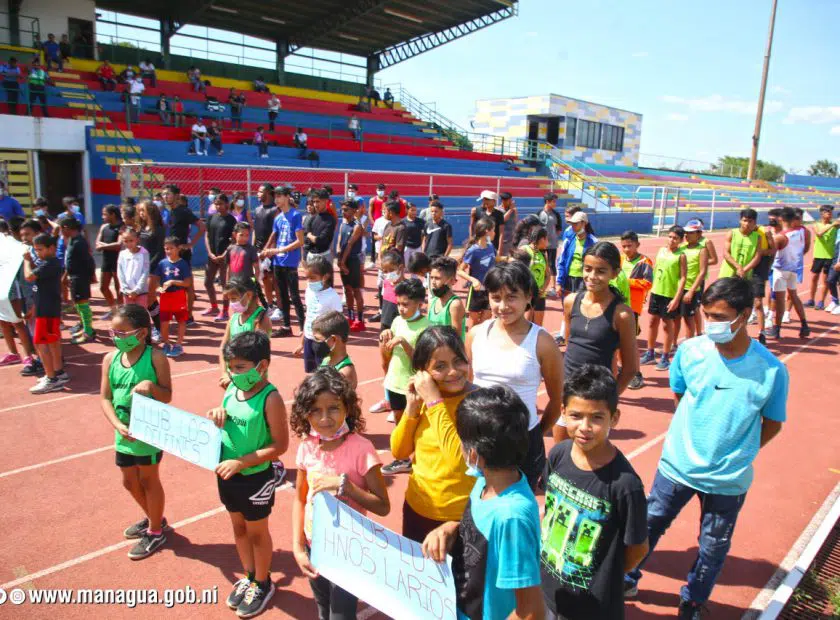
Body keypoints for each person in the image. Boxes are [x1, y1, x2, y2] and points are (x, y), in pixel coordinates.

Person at [625, 277, 788, 619]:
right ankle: (627, 578)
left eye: (720, 317)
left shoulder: (772, 371)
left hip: (728, 480)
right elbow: (680, 394)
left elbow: (772, 423)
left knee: (713, 546)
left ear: (745, 314)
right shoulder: (689, 351)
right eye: (708, 315)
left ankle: (693, 600)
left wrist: (741, 452)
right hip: (677, 466)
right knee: (649, 524)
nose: (712, 324)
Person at [422, 385, 544, 620]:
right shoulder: (483, 481)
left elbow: (531, 611)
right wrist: (451, 528)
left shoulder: (511, 518)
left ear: (473, 454)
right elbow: (482, 533)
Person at [541, 365, 649, 619]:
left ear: (614, 418)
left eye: (597, 418)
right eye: (576, 416)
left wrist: (604, 578)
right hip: (548, 591)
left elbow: (637, 548)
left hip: (593, 609)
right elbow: (550, 509)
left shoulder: (625, 485)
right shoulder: (558, 455)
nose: (585, 427)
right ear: (563, 412)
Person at [291, 367, 389, 620]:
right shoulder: (307, 447)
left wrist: (347, 487)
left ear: (347, 408)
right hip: (315, 546)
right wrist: (298, 547)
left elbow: (382, 506)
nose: (325, 418)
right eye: (315, 410)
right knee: (323, 609)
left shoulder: (362, 449)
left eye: (333, 408)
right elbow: (300, 499)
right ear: (305, 413)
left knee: (341, 616)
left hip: (348, 551)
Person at [207, 331, 289, 618]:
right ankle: (250, 576)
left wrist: (241, 463)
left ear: (262, 366)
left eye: (240, 367)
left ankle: (263, 583)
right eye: (231, 367)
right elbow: (228, 416)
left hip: (254, 477)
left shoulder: (270, 398)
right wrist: (217, 413)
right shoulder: (231, 389)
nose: (233, 373)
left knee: (256, 532)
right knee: (238, 528)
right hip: (227, 474)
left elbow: (280, 446)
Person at [468, 261, 564, 490]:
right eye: (496, 298)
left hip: (523, 445)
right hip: (480, 441)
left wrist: (534, 434)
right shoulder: (475, 335)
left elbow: (557, 400)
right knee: (478, 501)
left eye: (512, 297)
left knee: (516, 506)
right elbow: (468, 387)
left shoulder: (542, 342)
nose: (503, 306)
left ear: (528, 296)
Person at [99, 304, 172, 560]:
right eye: (113, 333)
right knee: (129, 481)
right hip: (123, 433)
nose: (116, 338)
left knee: (149, 480)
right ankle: (155, 518)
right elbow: (105, 398)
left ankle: (155, 531)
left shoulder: (156, 358)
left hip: (148, 434)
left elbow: (167, 396)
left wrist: (151, 385)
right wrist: (117, 425)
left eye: (122, 333)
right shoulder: (110, 360)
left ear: (141, 333)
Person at [390, 325, 475, 536]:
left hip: (460, 518)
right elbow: (399, 452)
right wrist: (411, 409)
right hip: (418, 509)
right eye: (440, 366)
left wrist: (434, 402)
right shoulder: (423, 400)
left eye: (458, 361)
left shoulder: (479, 403)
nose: (453, 371)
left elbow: (461, 462)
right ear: (422, 373)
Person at [559, 241, 638, 440]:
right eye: (587, 269)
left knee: (589, 454)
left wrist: (608, 399)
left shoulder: (622, 315)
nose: (592, 276)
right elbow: (569, 345)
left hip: (597, 398)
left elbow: (630, 368)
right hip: (568, 393)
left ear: (615, 273)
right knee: (560, 452)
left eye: (601, 271)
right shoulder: (571, 302)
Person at [379, 277, 430, 473]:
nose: (400, 308)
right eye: (398, 304)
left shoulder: (426, 326)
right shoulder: (396, 321)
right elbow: (388, 354)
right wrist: (385, 340)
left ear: (419, 303)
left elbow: (421, 361)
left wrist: (403, 342)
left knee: (416, 424)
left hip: (412, 385)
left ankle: (421, 459)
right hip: (394, 382)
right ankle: (402, 459)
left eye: (405, 304)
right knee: (399, 423)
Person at [23, 233, 68, 393]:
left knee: (41, 344)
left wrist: (26, 260)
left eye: (40, 249)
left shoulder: (49, 264)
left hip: (47, 311)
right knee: (52, 342)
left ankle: (51, 379)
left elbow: (29, 276)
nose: (38, 253)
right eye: (36, 250)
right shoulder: (47, 263)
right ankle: (58, 372)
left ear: (51, 248)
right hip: (47, 309)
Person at [640, 225, 687, 371]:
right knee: (652, 322)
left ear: (681, 240)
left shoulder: (681, 255)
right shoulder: (661, 251)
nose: (672, 240)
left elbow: (683, 278)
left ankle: (665, 357)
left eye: (675, 238)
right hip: (656, 292)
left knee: (667, 325)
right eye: (670, 237)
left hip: (669, 295)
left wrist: (676, 298)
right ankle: (650, 353)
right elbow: (656, 270)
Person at [260, 187, 302, 337]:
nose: (276, 199)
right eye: (275, 196)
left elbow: (300, 241)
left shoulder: (296, 215)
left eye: (279, 196)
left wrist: (278, 250)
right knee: (282, 296)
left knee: (294, 296)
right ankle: (286, 326)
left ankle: (303, 327)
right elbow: (274, 236)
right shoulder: (278, 218)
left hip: (290, 262)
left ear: (287, 197)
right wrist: (265, 251)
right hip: (278, 262)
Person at [217, 277, 271, 389]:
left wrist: (245, 380)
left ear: (249, 295)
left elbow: (259, 353)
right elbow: (223, 347)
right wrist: (225, 373)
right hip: (234, 378)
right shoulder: (234, 318)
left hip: (252, 381)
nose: (232, 303)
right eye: (229, 299)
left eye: (234, 299)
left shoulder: (260, 319)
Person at [765, 207, 810, 339]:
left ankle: (777, 329)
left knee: (779, 300)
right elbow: (805, 248)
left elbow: (771, 253)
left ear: (781, 219)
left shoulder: (780, 237)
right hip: (794, 268)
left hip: (780, 270)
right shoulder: (801, 232)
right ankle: (804, 324)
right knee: (794, 296)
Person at [618, 231, 653, 390]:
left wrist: (627, 282)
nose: (626, 249)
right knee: (617, 341)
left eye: (629, 246)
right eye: (623, 246)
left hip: (633, 307)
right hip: (618, 304)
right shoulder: (620, 259)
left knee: (631, 343)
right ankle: (622, 368)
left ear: (637, 245)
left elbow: (648, 283)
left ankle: (636, 373)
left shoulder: (645, 262)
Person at [297, 255, 343, 373]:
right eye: (307, 278)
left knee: (324, 375)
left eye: (313, 278)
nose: (309, 281)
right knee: (311, 373)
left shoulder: (332, 297)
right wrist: (302, 342)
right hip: (309, 339)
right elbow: (309, 315)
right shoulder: (309, 291)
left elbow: (339, 324)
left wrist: (335, 347)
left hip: (323, 343)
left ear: (325, 277)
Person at [153, 236, 193, 357]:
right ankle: (166, 343)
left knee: (181, 321)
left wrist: (173, 282)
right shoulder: (162, 263)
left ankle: (178, 345)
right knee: (164, 322)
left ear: (178, 248)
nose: (168, 251)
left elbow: (187, 283)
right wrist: (158, 288)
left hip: (178, 296)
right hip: (165, 297)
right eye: (166, 248)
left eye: (171, 248)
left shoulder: (183, 264)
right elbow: (156, 279)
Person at [62, 217, 97, 344]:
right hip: (74, 277)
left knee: (83, 304)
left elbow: (88, 260)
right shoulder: (72, 240)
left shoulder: (79, 242)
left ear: (66, 228)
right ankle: (85, 328)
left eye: (61, 229)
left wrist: (91, 275)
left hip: (80, 278)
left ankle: (88, 332)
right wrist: (66, 275)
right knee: (78, 304)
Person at [458, 217, 496, 327]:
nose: (495, 233)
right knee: (473, 322)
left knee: (486, 320)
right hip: (476, 291)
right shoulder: (473, 250)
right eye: (493, 230)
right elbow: (460, 270)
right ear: (487, 231)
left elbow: (495, 258)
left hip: (489, 288)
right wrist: (473, 280)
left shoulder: (490, 246)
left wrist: (508, 259)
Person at [204, 194, 237, 321]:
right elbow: (207, 236)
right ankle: (214, 307)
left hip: (225, 257)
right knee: (208, 282)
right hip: (212, 256)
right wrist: (210, 253)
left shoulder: (231, 220)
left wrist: (224, 254)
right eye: (216, 204)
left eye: (221, 204)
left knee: (224, 284)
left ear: (227, 204)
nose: (218, 206)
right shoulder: (211, 218)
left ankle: (225, 311)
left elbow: (234, 240)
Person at [677, 219, 710, 340]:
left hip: (690, 288)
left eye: (691, 233)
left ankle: (689, 342)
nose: (687, 235)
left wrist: (691, 291)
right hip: (678, 287)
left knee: (688, 318)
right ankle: (674, 343)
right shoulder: (681, 247)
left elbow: (702, 272)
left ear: (699, 234)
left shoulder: (702, 250)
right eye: (686, 232)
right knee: (676, 317)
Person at [336, 200, 366, 332]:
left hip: (353, 261)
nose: (343, 212)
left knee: (356, 290)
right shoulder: (343, 225)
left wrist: (342, 262)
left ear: (354, 211)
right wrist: (339, 258)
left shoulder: (357, 226)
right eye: (342, 209)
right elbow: (339, 242)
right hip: (343, 260)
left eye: (346, 210)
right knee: (347, 289)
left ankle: (360, 320)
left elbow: (349, 244)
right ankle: (350, 317)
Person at [312, 311, 357, 388]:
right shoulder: (327, 358)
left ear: (333, 339)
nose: (315, 342)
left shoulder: (344, 374)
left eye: (318, 339)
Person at [807, 205, 839, 309]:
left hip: (829, 256)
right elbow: (819, 233)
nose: (830, 214)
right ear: (822, 214)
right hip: (818, 256)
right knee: (814, 278)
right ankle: (811, 300)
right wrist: (832, 225)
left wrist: (834, 224)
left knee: (825, 280)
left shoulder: (836, 226)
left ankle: (821, 301)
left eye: (831, 213)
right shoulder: (816, 225)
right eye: (828, 212)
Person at [428, 256, 466, 339]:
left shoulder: (454, 305)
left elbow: (456, 338)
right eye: (431, 277)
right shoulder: (432, 302)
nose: (433, 282)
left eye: (437, 278)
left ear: (451, 280)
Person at [97, 204, 123, 317]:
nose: (103, 217)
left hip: (118, 261)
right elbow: (97, 244)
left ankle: (121, 312)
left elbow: (118, 245)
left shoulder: (122, 227)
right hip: (106, 260)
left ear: (113, 215)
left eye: (105, 214)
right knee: (103, 287)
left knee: (119, 289)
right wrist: (107, 246)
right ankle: (113, 310)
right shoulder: (104, 227)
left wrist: (103, 246)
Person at [117, 227, 150, 310]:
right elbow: (120, 273)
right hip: (127, 293)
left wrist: (137, 290)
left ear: (137, 239)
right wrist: (125, 289)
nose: (128, 244)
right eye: (125, 241)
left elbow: (145, 272)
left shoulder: (144, 253)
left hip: (141, 292)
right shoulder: (122, 254)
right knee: (129, 315)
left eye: (131, 241)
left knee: (141, 314)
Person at [523, 227, 550, 326]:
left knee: (538, 327)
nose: (548, 242)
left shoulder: (543, 253)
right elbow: (518, 272)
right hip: (527, 295)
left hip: (540, 296)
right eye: (547, 239)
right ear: (542, 239)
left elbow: (548, 275)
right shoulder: (524, 249)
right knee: (525, 326)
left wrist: (543, 288)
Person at [303, 190, 336, 260]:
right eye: (314, 202)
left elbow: (320, 240)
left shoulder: (330, 220)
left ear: (326, 201)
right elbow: (306, 236)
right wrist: (311, 237)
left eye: (318, 201)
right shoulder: (313, 217)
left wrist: (310, 236)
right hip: (310, 255)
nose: (315, 204)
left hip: (323, 256)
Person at [471, 190, 504, 254]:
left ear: (494, 201)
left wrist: (499, 250)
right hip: (479, 245)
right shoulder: (477, 211)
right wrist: (472, 239)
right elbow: (472, 227)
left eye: (487, 199)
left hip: (494, 245)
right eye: (484, 200)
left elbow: (501, 233)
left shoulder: (499, 214)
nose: (485, 201)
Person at [539, 193, 562, 273]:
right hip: (540, 244)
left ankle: (552, 281)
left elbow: (559, 230)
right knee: (540, 263)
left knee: (552, 264)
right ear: (547, 202)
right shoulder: (539, 213)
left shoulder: (556, 214)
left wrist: (552, 237)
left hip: (552, 244)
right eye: (554, 201)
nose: (555, 204)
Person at [402, 202, 425, 268]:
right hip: (406, 247)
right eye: (412, 210)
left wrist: (422, 247)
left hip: (418, 247)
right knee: (406, 266)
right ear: (407, 210)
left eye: (415, 210)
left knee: (417, 266)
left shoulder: (421, 221)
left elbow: (424, 235)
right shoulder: (403, 222)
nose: (414, 212)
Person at [499, 192, 518, 257]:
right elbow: (502, 220)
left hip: (512, 240)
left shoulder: (514, 210)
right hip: (502, 241)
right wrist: (510, 210)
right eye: (508, 201)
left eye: (510, 200)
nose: (510, 202)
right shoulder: (498, 210)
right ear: (503, 201)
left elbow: (515, 222)